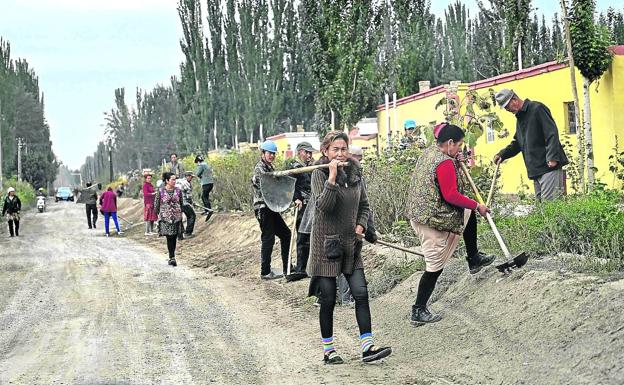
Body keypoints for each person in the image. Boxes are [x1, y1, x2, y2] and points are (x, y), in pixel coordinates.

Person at [308, 130, 392, 365]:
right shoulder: (318, 174)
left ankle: (367, 347)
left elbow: (364, 205)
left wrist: (361, 226)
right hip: (325, 245)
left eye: (344, 148)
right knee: (328, 298)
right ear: (326, 151)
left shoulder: (355, 172)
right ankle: (329, 351)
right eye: (335, 149)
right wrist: (332, 178)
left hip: (351, 243)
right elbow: (323, 206)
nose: (341, 153)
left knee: (361, 293)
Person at [406, 124, 495, 326]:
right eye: (460, 145)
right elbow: (451, 195)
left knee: (467, 213)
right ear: (450, 143)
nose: (461, 149)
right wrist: (477, 205)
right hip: (431, 219)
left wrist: (455, 160)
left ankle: (474, 258)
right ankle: (418, 310)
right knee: (435, 265)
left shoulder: (430, 153)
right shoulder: (444, 162)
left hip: (421, 214)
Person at [493, 89, 569, 201]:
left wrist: (552, 157)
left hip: (549, 167)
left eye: (507, 106)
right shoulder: (520, 118)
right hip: (536, 170)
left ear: (514, 99)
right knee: (542, 212)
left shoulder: (537, 108)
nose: (507, 110)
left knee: (551, 208)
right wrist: (502, 154)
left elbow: (551, 133)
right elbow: (518, 143)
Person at [252, 140, 291, 280]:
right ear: (263, 153)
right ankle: (265, 272)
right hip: (263, 207)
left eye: (273, 154)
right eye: (269, 153)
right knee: (268, 238)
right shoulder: (259, 168)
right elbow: (262, 184)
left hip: (272, 207)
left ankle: (287, 267)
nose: (272, 156)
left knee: (286, 234)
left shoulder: (269, 167)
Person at [289, 141, 316, 275]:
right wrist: (296, 198)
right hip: (302, 205)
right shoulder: (295, 167)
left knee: (311, 236)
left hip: (311, 205)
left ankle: (308, 266)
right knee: (302, 236)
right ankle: (300, 267)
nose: (309, 155)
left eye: (310, 153)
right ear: (300, 152)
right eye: (307, 152)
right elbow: (290, 185)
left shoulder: (310, 166)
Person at [155, 172, 183, 266]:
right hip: (165, 218)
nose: (174, 181)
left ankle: (172, 257)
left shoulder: (178, 191)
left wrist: (181, 213)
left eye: (175, 179)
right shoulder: (161, 191)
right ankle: (171, 256)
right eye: (172, 179)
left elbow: (181, 203)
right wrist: (158, 215)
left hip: (176, 218)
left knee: (174, 237)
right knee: (169, 237)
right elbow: (156, 204)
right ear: (167, 180)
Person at [176, 171, 196, 239]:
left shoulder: (178, 181)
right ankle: (188, 233)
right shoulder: (186, 183)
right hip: (183, 202)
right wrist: (192, 203)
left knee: (179, 218)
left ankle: (179, 236)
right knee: (191, 215)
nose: (191, 179)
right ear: (187, 176)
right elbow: (188, 196)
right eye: (191, 177)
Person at [194, 155, 214, 221]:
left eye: (197, 162)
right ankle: (207, 210)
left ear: (198, 161)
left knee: (204, 197)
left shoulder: (201, 165)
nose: (197, 164)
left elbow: (197, 174)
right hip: (211, 183)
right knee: (206, 196)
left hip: (206, 183)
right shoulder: (206, 164)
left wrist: (200, 176)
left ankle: (208, 210)